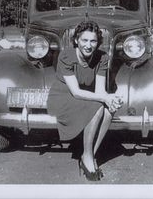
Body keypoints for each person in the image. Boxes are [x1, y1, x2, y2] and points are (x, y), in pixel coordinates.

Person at [47, 21, 123, 181]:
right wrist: (105, 98)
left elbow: (100, 91)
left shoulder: (102, 57)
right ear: (76, 40)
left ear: (98, 42)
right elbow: (75, 92)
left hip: (86, 96)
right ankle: (88, 158)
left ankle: (89, 155)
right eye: (84, 40)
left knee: (109, 110)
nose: (88, 45)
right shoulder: (66, 56)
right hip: (63, 96)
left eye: (93, 41)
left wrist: (111, 100)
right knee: (97, 106)